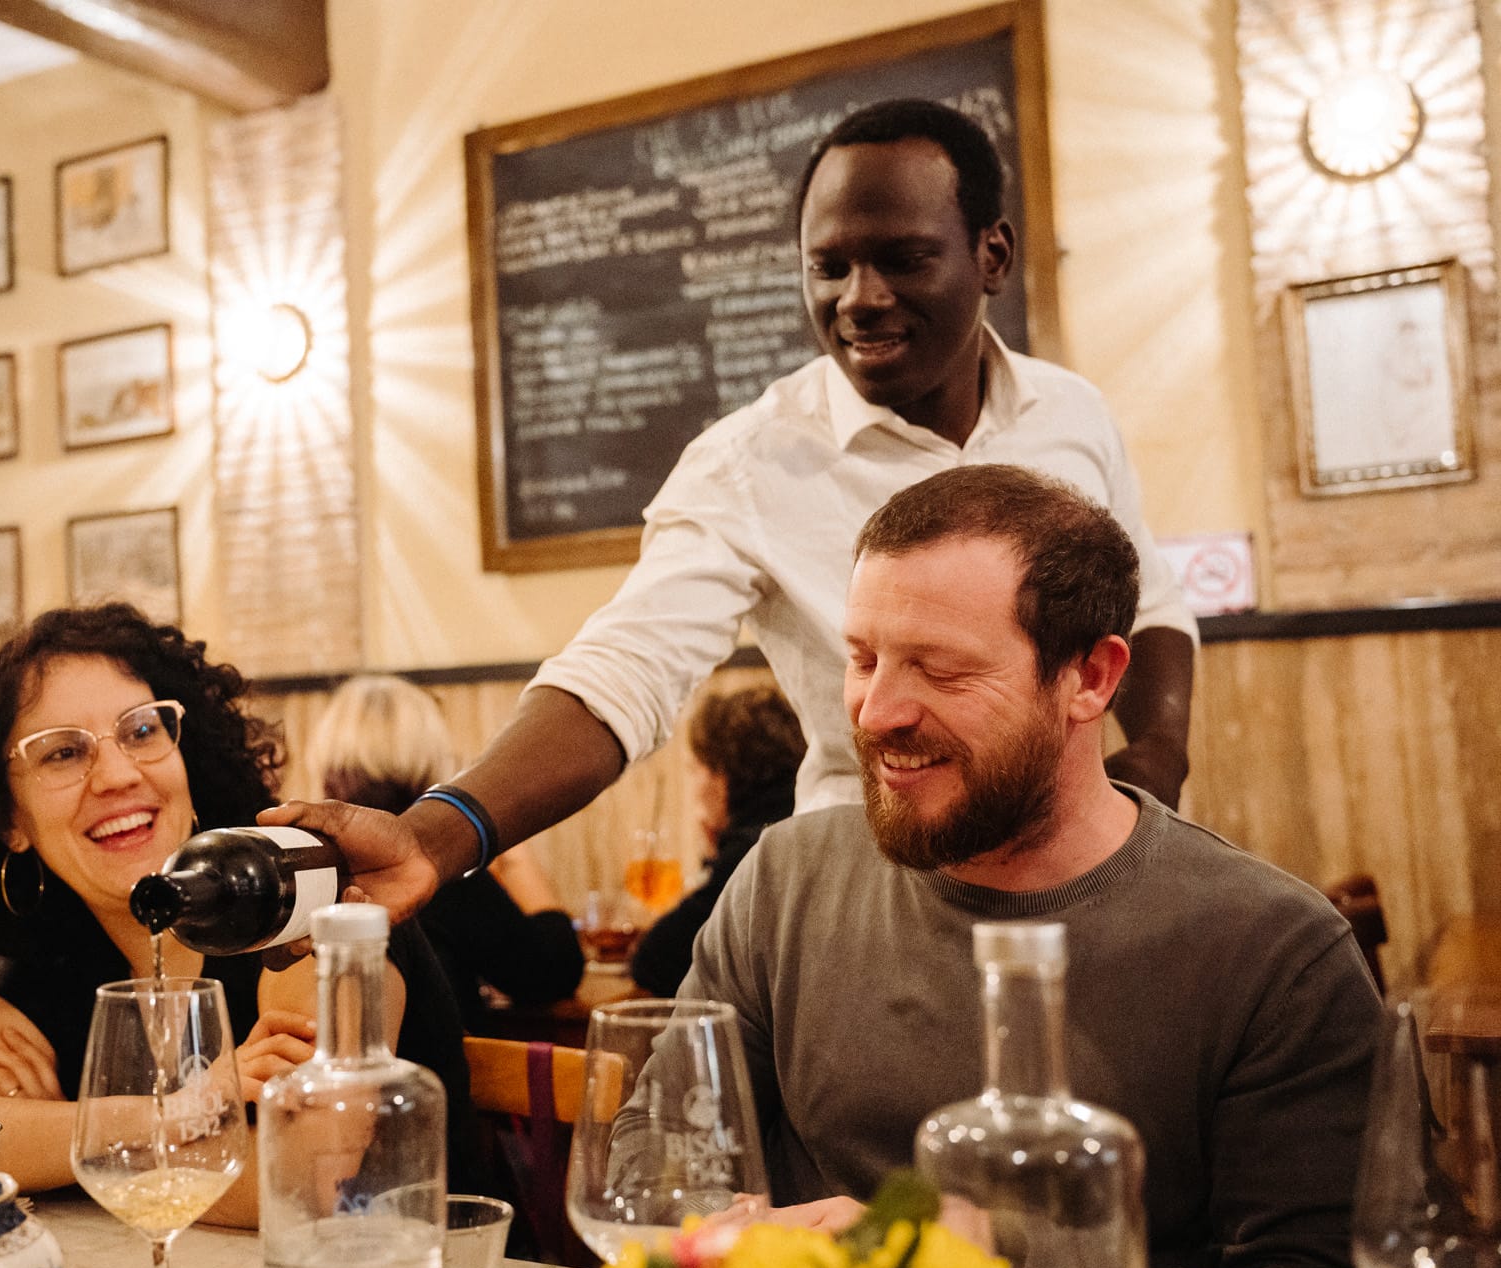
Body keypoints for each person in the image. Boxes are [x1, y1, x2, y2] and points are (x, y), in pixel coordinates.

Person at [264, 98, 1197, 923]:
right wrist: (438, 834)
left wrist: (1158, 755)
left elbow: (1148, 599)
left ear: (991, 254)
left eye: (904, 260)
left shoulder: (1072, 413)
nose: (859, 300)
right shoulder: (748, 464)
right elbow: (626, 668)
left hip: (1092, 876)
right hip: (879, 897)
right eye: (827, 266)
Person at [680, 465, 1379, 1268]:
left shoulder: (1273, 951)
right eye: (865, 659)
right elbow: (659, 1167)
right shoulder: (783, 883)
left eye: (940, 671)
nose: (877, 713)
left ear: (1091, 679)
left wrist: (936, 1265)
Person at [0, 603, 486, 1222]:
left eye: (142, 731)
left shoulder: (296, 900)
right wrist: (173, 1114)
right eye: (64, 753)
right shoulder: (63, 948)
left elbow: (297, 1183)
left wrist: (53, 1143)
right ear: (10, 821)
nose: (117, 773)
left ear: (185, 752)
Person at [308, 674, 584, 1031]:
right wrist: (515, 855)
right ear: (432, 757)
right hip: (431, 1083)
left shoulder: (307, 862)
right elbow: (553, 973)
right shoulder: (431, 864)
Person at [629, 684, 805, 997]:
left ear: (721, 774)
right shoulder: (804, 822)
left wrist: (717, 855)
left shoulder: (755, 851)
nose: (694, 785)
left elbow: (657, 961)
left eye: (695, 769)